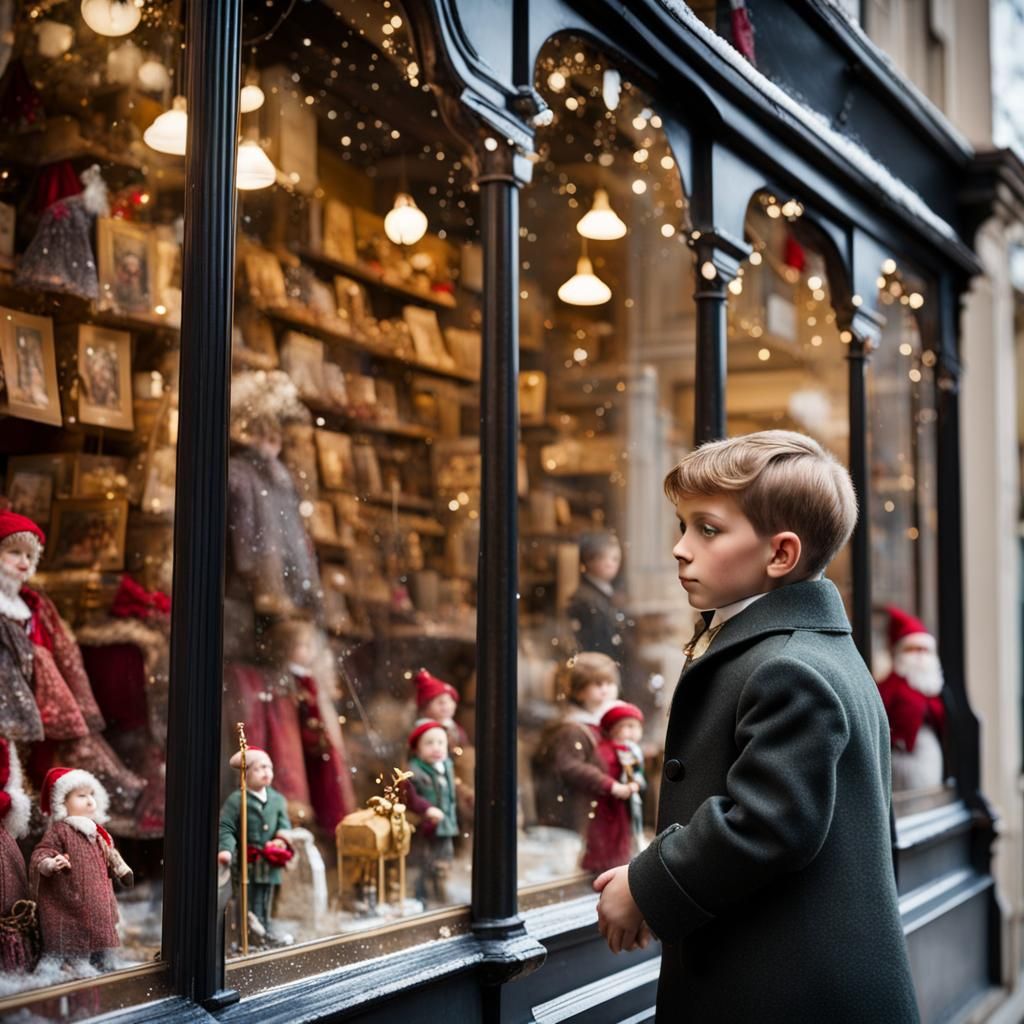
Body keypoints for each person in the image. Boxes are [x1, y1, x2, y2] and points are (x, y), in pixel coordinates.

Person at [594, 430, 918, 1023]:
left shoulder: (790, 667)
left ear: (780, 554)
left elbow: (769, 821)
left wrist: (647, 886)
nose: (680, 548)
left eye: (707, 528)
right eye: (683, 526)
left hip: (790, 992)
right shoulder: (793, 650)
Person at [532, 652, 632, 836]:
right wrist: (607, 784)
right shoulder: (573, 729)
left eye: (609, 683)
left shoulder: (605, 725)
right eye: (597, 684)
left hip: (600, 809)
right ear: (578, 690)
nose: (605, 690)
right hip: (578, 811)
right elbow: (568, 767)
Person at [877, 606, 946, 792]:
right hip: (900, 758)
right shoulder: (890, 686)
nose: (920, 657)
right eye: (912, 650)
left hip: (929, 756)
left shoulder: (933, 689)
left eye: (925, 650)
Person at [582, 701, 646, 873]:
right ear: (613, 729)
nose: (633, 732)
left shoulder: (632, 750)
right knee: (608, 835)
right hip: (608, 802)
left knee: (624, 833)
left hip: (625, 801)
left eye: (636, 727)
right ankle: (604, 866)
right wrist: (619, 786)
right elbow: (604, 772)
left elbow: (637, 772)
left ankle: (619, 863)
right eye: (627, 726)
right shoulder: (607, 750)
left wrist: (636, 783)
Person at [566, 532, 629, 663]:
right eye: (601, 557)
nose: (609, 563)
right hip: (597, 661)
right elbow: (593, 640)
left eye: (615, 559)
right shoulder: (584, 598)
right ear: (588, 560)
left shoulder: (608, 593)